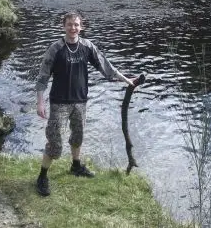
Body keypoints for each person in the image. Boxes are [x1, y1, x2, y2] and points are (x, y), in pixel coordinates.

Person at [35, 11, 137, 196]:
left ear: (81, 27)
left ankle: (76, 166)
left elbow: (105, 66)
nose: (73, 28)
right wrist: (40, 102)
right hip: (59, 103)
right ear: (63, 26)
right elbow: (42, 76)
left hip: (80, 101)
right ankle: (42, 176)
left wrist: (126, 79)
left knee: (78, 136)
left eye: (76, 24)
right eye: (69, 24)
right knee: (55, 143)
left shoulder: (87, 46)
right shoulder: (55, 49)